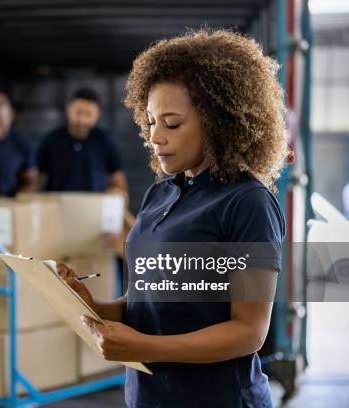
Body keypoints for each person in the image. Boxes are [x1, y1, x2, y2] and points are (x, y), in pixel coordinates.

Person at [57, 30, 287, 408]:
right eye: (149, 121)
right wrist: (91, 305)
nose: (154, 137)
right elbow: (145, 301)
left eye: (172, 123)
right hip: (150, 397)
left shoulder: (248, 203)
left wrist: (146, 347)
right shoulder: (159, 195)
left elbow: (249, 331)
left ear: (217, 122)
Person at [37, 88, 128, 197]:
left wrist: (117, 194)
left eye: (88, 114)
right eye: (78, 112)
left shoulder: (105, 141)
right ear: (68, 109)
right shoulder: (50, 139)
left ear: (97, 115)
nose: (82, 120)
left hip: (94, 207)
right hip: (57, 206)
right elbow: (36, 179)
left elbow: (119, 182)